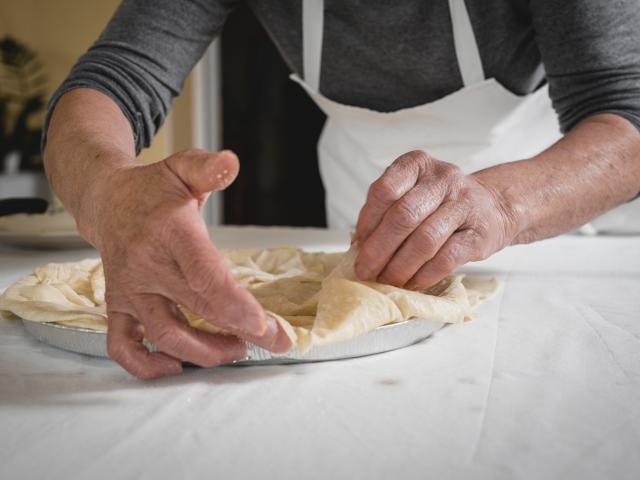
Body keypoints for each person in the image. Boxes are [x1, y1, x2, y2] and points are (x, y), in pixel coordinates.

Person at [43, 0, 640, 379]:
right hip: (358, 216)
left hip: (549, 209)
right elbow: (113, 81)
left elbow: (626, 109)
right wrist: (108, 194)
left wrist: (504, 206)